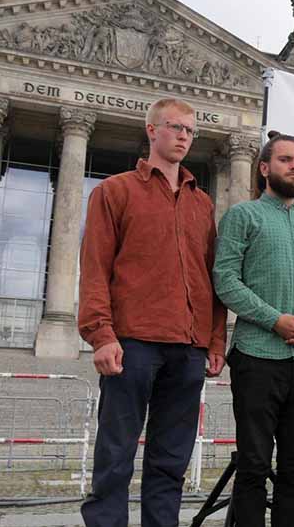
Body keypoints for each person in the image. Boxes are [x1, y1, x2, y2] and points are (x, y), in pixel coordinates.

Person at [78, 98, 227, 527]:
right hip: (133, 343)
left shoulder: (203, 204)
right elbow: (95, 267)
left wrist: (215, 340)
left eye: (189, 131)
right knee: (116, 452)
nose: (183, 136)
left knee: (171, 459)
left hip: (189, 347)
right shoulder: (115, 191)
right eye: (174, 127)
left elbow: (210, 278)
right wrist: (101, 334)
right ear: (151, 130)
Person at [213, 131, 294, 526]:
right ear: (265, 168)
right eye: (285, 160)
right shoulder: (242, 216)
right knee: (253, 465)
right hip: (257, 358)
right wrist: (275, 320)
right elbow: (226, 280)